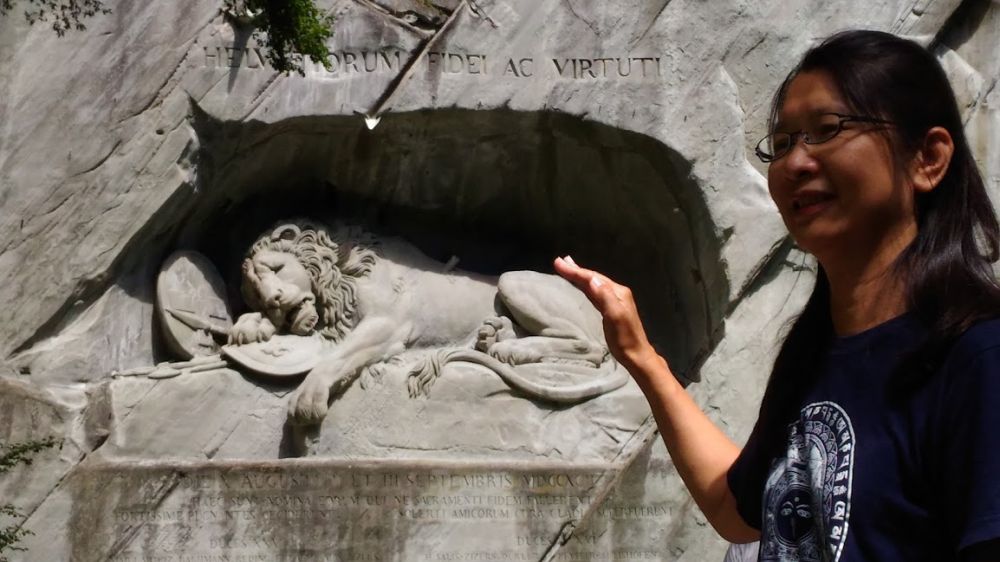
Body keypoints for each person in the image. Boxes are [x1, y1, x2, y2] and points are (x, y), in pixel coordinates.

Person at [554, 30, 1000, 561]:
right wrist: (640, 356)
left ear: (927, 158)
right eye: (782, 143)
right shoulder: (815, 354)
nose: (795, 163)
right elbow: (735, 509)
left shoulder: (977, 357)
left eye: (828, 130)